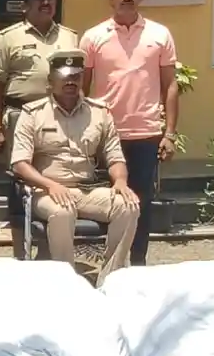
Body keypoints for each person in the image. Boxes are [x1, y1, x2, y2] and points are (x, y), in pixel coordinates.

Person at [10, 49, 140, 285]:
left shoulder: (99, 113)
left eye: (76, 76)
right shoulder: (33, 113)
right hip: (46, 191)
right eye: (64, 77)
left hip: (87, 190)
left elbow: (115, 156)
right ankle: (67, 282)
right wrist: (50, 185)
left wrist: (120, 181)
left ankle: (110, 279)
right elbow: (20, 164)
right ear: (51, 81)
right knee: (63, 211)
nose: (71, 82)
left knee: (128, 206)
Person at [80, 0, 180, 266]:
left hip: (145, 135)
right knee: (107, 203)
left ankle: (137, 264)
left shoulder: (159, 35)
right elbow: (81, 89)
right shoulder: (93, 37)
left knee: (141, 203)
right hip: (105, 136)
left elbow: (170, 85)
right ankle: (109, 265)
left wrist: (170, 133)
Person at [0, 0, 78, 170]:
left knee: (55, 170)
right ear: (25, 5)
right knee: (19, 171)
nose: (46, 2)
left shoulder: (70, 37)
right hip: (19, 115)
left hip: (59, 116)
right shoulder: (7, 38)